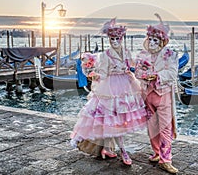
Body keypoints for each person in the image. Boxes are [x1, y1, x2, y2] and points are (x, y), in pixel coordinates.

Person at [70, 18, 147, 166]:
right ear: (109, 39)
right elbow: (103, 74)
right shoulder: (105, 55)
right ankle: (123, 150)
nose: (115, 41)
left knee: (119, 119)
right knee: (112, 119)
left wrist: (142, 65)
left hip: (126, 85)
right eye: (112, 39)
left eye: (117, 38)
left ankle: (107, 148)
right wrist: (93, 74)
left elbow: (131, 65)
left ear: (122, 38)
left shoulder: (126, 51)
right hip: (110, 87)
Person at [135, 13, 179, 174]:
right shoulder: (142, 55)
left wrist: (157, 76)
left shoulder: (170, 55)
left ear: (162, 41)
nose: (152, 43)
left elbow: (173, 73)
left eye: (156, 40)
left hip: (163, 95)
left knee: (165, 127)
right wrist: (144, 75)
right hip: (147, 95)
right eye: (151, 39)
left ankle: (166, 159)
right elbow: (138, 73)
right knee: (152, 127)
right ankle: (156, 152)